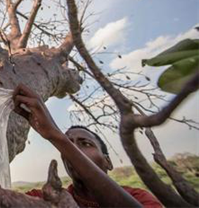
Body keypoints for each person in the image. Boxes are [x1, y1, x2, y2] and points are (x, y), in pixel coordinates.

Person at [12, 84, 162, 207]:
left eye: (85, 143)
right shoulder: (44, 199)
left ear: (108, 162)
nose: (74, 149)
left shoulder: (139, 197)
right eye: (69, 144)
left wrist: (57, 136)